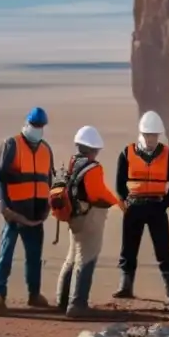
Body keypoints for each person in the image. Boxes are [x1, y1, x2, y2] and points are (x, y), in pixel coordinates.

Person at [54, 126, 124, 318]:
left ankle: (62, 300)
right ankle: (77, 304)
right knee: (86, 259)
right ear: (94, 148)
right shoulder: (93, 168)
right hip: (88, 219)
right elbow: (97, 193)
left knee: (71, 258)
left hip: (73, 218)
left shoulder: (71, 163)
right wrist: (119, 204)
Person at [113, 110, 169, 304]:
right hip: (134, 206)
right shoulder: (127, 153)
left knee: (163, 249)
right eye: (147, 135)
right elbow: (119, 182)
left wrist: (165, 204)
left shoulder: (167, 155)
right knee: (128, 248)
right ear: (141, 134)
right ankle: (125, 286)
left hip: (157, 207)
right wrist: (126, 201)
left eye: (154, 135)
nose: (151, 139)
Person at [0, 106, 54, 313]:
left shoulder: (46, 149)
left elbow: (49, 179)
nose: (38, 129)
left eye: (41, 126)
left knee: (35, 257)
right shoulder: (12, 144)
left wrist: (48, 205)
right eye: (35, 125)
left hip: (36, 213)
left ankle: (34, 295)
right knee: (6, 254)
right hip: (14, 213)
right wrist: (3, 205)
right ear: (27, 123)